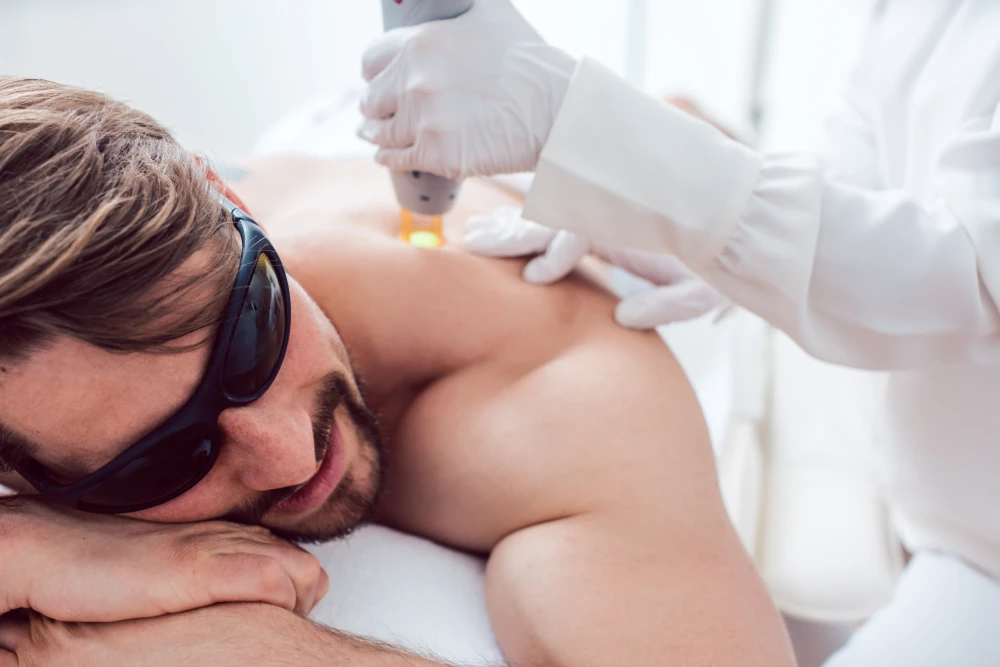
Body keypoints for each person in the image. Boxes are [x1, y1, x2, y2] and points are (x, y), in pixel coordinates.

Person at [0, 77, 794, 666]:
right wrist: (34, 553)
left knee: (684, 131)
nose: (291, 454)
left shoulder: (558, 401)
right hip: (315, 147)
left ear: (226, 200)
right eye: (164, 459)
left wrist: (251, 647)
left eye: (253, 336)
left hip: (441, 219)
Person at [357, 1, 1000, 664]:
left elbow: (975, 269)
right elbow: (866, 173)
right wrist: (698, 235)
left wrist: (588, 132)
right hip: (948, 536)